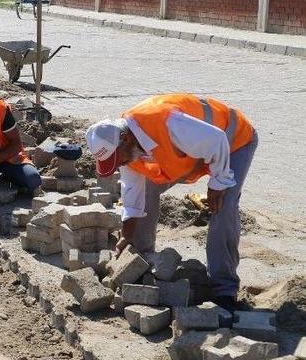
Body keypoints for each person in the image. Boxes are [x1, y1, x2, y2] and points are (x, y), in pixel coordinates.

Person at [85, 94, 256, 312]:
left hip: (234, 141)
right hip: (194, 154)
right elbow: (132, 194)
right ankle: (141, 264)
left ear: (125, 140)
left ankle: (224, 291)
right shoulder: (126, 149)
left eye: (117, 159)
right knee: (146, 188)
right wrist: (127, 235)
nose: (119, 165)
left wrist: (218, 183)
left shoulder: (168, 123)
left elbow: (217, 140)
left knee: (223, 206)